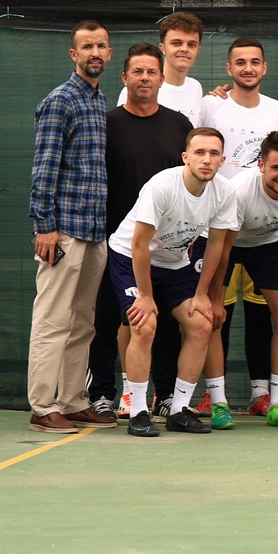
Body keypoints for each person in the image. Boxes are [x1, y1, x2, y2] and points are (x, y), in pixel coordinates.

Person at [106, 127, 237, 437]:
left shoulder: (225, 192)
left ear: (222, 160)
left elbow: (217, 245)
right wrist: (147, 297)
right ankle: (138, 410)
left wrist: (204, 294)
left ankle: (179, 410)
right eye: (200, 153)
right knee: (145, 323)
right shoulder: (162, 186)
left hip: (176, 264)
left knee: (202, 324)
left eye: (213, 154)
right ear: (186, 157)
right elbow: (139, 244)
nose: (206, 159)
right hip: (131, 258)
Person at [87, 43, 193, 420]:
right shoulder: (108, 123)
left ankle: (164, 395)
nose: (145, 78)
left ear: (162, 78)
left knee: (161, 322)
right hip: (114, 242)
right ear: (125, 78)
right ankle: (101, 393)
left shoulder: (180, 125)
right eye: (138, 72)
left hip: (165, 248)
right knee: (107, 319)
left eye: (152, 72)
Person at [196, 131, 278, 429]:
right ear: (261, 166)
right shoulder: (239, 191)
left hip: (267, 244)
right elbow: (224, 247)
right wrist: (215, 300)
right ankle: (218, 404)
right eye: (276, 168)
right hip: (219, 242)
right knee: (212, 318)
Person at [27, 20, 116, 435]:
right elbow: (44, 168)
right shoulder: (60, 100)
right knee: (52, 320)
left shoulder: (98, 102)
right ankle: (43, 406)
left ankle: (73, 401)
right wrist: (45, 226)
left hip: (95, 232)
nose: (94, 52)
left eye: (101, 46)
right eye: (87, 46)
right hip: (62, 232)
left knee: (83, 322)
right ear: (73, 54)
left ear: (109, 54)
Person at [196, 37, 278, 416]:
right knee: (216, 312)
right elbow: (198, 147)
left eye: (255, 62)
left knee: (261, 314)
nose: (248, 68)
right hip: (218, 225)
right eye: (240, 62)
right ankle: (213, 397)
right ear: (228, 69)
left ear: (264, 68)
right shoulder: (211, 105)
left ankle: (261, 394)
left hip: (265, 230)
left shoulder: (276, 111)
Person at [118, 11, 205, 116]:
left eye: (192, 44)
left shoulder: (195, 88)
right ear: (162, 48)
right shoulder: (137, 88)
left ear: (198, 50)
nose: (184, 49)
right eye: (176, 43)